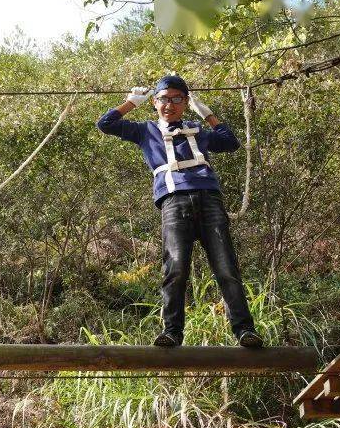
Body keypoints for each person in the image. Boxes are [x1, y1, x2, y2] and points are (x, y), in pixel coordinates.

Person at [96, 74, 263, 348]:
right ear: (154, 103)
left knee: (226, 267)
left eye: (176, 99)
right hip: (174, 202)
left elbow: (231, 142)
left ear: (184, 102)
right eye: (163, 99)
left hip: (209, 201)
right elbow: (106, 124)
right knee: (175, 268)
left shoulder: (197, 130)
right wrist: (130, 103)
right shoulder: (145, 130)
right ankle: (172, 332)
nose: (169, 105)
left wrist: (206, 113)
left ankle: (244, 330)